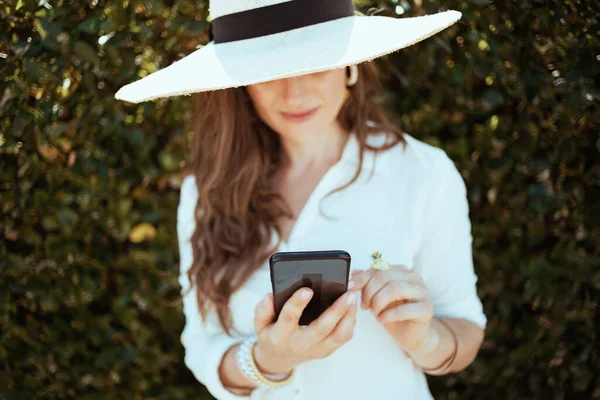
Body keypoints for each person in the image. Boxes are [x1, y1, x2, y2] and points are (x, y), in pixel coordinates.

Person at [115, 1, 487, 399]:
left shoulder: (423, 173)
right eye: (267, 72)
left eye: (317, 62)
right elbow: (204, 346)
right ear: (241, 83)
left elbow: (465, 326)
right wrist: (269, 359)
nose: (295, 93)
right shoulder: (206, 191)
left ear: (350, 64)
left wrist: (424, 338)